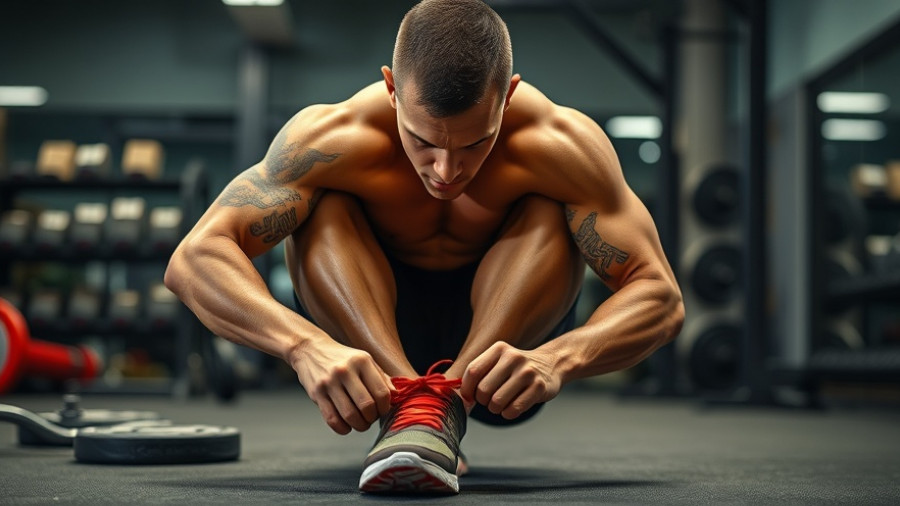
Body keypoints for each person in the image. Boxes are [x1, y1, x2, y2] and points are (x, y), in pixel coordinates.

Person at [165, 0, 684, 495]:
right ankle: (415, 411)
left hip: (505, 353)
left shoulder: (559, 144)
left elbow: (660, 297)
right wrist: (305, 347)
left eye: (475, 143)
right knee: (326, 205)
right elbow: (195, 258)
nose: (446, 170)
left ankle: (437, 409)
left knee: (548, 208)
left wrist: (557, 359)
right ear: (392, 90)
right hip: (372, 338)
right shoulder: (332, 136)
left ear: (507, 96)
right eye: (423, 141)